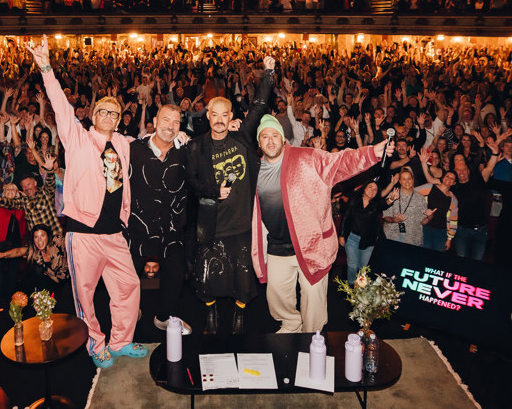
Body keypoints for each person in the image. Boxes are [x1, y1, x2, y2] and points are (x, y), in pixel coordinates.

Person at [31, 35, 147, 370]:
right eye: (103, 111)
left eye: (115, 112)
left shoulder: (124, 144)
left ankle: (121, 340)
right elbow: (61, 107)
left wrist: (177, 135)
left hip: (114, 234)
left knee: (128, 286)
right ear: (94, 115)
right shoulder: (78, 139)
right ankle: (96, 344)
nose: (109, 115)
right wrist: (46, 68)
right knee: (86, 296)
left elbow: (155, 142)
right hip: (83, 234)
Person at [251, 114, 389, 332]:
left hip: (311, 245)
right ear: (259, 143)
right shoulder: (255, 170)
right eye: (264, 136)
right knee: (275, 295)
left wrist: (371, 153)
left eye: (274, 135)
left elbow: (341, 162)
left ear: (283, 138)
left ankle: (310, 336)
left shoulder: (307, 157)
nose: (270, 140)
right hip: (277, 244)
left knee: (313, 300)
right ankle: (291, 322)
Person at [186, 55, 276, 335]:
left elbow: (259, 105)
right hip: (211, 224)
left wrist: (269, 73)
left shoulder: (242, 137)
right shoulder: (196, 147)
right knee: (209, 276)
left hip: (241, 223)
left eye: (226, 115)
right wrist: (215, 191)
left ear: (231, 118)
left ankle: (239, 319)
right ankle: (211, 317)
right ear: (208, 117)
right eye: (216, 115)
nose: (221, 120)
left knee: (242, 277)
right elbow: (192, 182)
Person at [128, 103, 192, 335]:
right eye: (166, 120)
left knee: (175, 273)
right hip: (138, 224)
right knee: (129, 273)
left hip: (172, 225)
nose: (170, 126)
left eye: (176, 122)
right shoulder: (133, 149)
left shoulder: (185, 150)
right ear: (154, 122)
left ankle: (165, 317)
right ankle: (130, 312)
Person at [340, 181, 384, 283]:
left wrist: (391, 198)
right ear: (364, 188)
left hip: (368, 240)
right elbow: (345, 218)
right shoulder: (354, 200)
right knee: (352, 265)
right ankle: (351, 287)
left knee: (363, 267)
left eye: (375, 190)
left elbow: (385, 205)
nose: (372, 190)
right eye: (370, 187)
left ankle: (360, 290)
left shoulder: (376, 205)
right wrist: (341, 235)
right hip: (351, 238)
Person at [381, 167, 427, 247]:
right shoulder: (392, 195)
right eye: (404, 179)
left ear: (413, 180)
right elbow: (385, 216)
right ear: (400, 181)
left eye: (409, 179)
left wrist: (429, 217)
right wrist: (394, 220)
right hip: (392, 236)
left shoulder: (420, 198)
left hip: (413, 239)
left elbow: (423, 221)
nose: (407, 182)